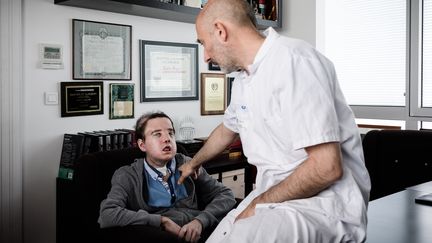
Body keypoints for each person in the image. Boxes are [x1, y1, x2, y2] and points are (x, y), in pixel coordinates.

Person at [178, 0, 371, 242]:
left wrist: (258, 203)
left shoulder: (295, 61)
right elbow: (228, 130)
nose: (206, 56)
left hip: (323, 205)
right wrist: (193, 163)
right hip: (274, 196)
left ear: (220, 31)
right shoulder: (242, 80)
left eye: (204, 44)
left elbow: (326, 168)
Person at [98, 111, 236, 243]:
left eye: (170, 133)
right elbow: (107, 214)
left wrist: (201, 221)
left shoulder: (187, 163)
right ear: (142, 145)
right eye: (157, 134)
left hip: (203, 233)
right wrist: (161, 221)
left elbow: (226, 195)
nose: (167, 139)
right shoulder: (127, 175)